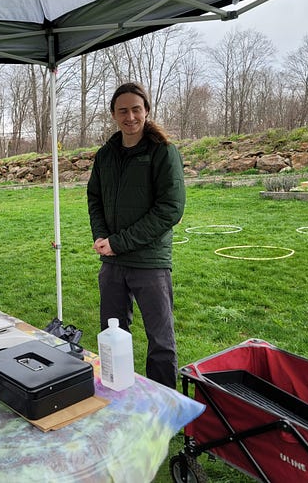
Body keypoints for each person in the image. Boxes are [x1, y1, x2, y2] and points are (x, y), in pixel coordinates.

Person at [87, 82, 185, 389]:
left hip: (150, 262)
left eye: (136, 109)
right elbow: (95, 199)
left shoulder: (162, 152)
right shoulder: (106, 155)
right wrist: (103, 236)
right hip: (113, 263)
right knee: (112, 333)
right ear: (113, 115)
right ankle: (119, 391)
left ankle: (164, 404)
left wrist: (119, 242)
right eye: (123, 111)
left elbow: (170, 209)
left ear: (146, 110)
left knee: (160, 339)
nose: (130, 117)